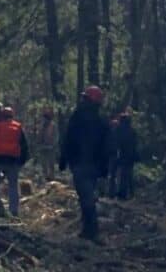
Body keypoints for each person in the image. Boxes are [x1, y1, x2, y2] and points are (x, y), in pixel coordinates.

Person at [60, 85, 110, 243]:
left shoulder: (77, 117)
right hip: (93, 166)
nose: (82, 100)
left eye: (85, 98)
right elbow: (107, 147)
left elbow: (68, 139)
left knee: (86, 197)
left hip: (80, 164)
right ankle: (88, 229)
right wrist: (104, 168)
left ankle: (91, 230)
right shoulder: (101, 121)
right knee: (88, 196)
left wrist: (63, 159)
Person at [0, 107, 30, 216]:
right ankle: (14, 211)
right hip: (13, 160)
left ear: (1, 116)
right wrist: (22, 161)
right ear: (12, 115)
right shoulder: (18, 127)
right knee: (13, 185)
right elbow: (24, 146)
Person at [114, 109, 139, 200]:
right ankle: (131, 193)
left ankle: (122, 194)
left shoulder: (119, 130)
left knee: (121, 174)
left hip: (122, 155)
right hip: (130, 156)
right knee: (128, 174)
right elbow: (135, 143)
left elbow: (116, 142)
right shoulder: (132, 131)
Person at [36, 107, 58, 183]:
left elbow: (55, 137)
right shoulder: (41, 126)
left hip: (51, 148)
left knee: (51, 164)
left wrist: (53, 145)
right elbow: (38, 136)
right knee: (44, 164)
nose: (45, 119)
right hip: (43, 148)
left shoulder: (53, 125)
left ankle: (52, 178)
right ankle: (45, 178)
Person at [106, 116, 120, 197]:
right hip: (112, 155)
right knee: (112, 175)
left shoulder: (113, 134)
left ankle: (112, 192)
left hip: (114, 156)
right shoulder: (111, 134)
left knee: (114, 175)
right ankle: (111, 192)